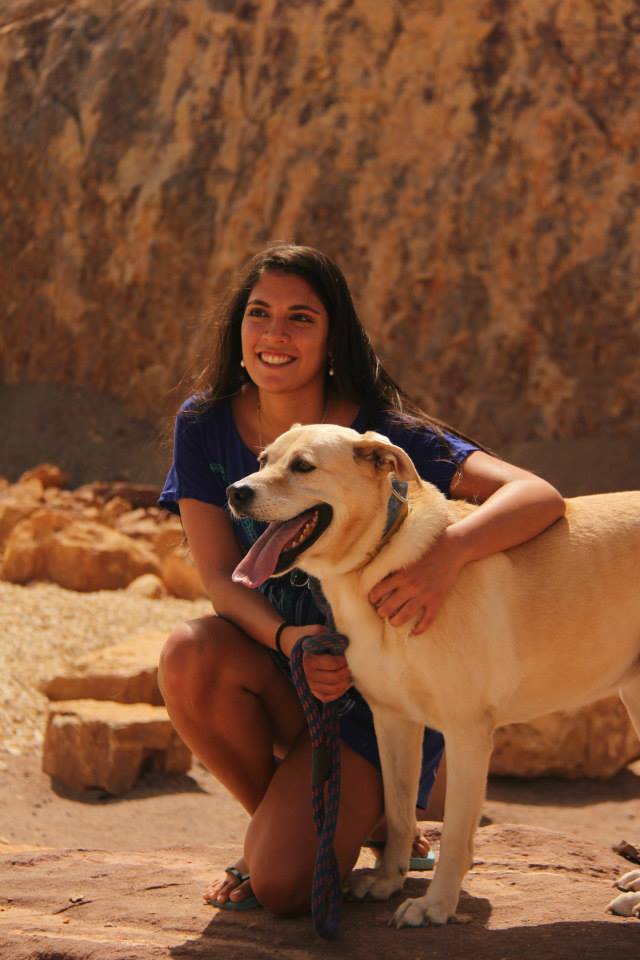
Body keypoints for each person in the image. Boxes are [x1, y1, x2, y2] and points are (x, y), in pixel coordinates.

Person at [157, 243, 565, 917]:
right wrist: (291, 641)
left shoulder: (378, 436)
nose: (275, 334)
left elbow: (538, 497)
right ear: (239, 328)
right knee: (188, 653)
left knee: (284, 888)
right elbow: (222, 580)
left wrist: (447, 555)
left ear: (332, 338)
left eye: (300, 318)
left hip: (381, 700)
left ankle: (327, 831)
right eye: (259, 313)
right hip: (282, 667)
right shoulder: (204, 423)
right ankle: (292, 829)